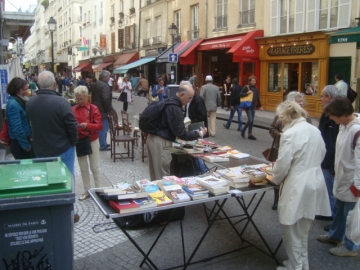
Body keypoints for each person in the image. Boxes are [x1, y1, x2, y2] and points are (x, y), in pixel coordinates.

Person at [272, 100, 330, 270]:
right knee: (303, 229)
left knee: (290, 228)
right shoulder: (314, 130)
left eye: (281, 119)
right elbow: (323, 152)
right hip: (315, 179)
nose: (281, 122)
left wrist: (275, 178)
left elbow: (283, 165)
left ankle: (295, 266)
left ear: (285, 117)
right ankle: (301, 264)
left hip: (297, 183)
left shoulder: (290, 134)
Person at [317, 96, 360, 257]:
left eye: (332, 115)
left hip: (352, 182)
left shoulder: (356, 130)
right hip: (343, 176)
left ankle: (350, 246)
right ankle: (335, 236)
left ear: (340, 114)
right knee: (340, 209)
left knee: (351, 216)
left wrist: (358, 186)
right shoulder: (344, 126)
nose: (330, 119)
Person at [147, 84, 207, 180]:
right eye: (189, 98)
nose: (190, 101)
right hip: (161, 142)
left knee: (155, 174)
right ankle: (162, 194)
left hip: (152, 139)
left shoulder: (169, 101)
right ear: (182, 95)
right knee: (163, 177)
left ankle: (156, 194)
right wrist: (199, 134)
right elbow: (181, 133)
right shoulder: (175, 108)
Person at [26, 71, 78, 177]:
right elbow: (72, 126)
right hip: (62, 148)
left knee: (43, 180)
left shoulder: (30, 103)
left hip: (40, 149)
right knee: (66, 180)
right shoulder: (62, 102)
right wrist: (72, 142)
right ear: (55, 84)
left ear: (38, 85)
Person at [269, 91, 313, 210]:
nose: (302, 103)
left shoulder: (305, 117)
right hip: (280, 147)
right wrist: (280, 134)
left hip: (297, 151)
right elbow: (272, 128)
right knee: (279, 172)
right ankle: (277, 200)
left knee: (292, 175)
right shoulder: (281, 114)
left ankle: (292, 200)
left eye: (302, 101)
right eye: (299, 102)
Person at [73, 86, 103, 200]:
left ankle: (98, 190)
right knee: (83, 167)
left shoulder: (93, 108)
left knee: (94, 167)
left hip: (91, 139)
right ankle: (87, 190)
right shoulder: (74, 109)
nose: (79, 101)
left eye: (81, 98)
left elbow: (99, 126)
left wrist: (88, 125)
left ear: (86, 97)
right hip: (79, 140)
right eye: (77, 98)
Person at [318, 86, 340, 230]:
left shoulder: (335, 117)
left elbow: (334, 144)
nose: (320, 99)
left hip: (329, 159)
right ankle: (327, 212)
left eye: (322, 96)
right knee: (326, 188)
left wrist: (332, 166)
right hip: (324, 157)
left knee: (331, 190)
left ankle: (332, 216)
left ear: (330, 97)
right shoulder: (327, 114)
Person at [182, 80, 208, 174]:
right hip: (189, 125)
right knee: (191, 150)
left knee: (196, 151)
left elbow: (203, 115)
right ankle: (197, 169)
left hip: (196, 127)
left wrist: (191, 121)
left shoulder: (198, 99)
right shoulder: (187, 99)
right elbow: (187, 112)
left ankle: (203, 170)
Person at [5, 77, 34, 159]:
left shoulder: (20, 100)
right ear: (17, 89)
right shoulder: (13, 104)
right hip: (19, 143)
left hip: (24, 139)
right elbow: (17, 127)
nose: (27, 91)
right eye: (24, 89)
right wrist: (25, 145)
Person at [91, 70, 112, 151]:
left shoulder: (96, 84)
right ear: (105, 77)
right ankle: (103, 144)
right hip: (102, 109)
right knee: (103, 127)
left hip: (95, 107)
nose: (109, 78)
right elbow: (106, 99)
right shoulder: (105, 86)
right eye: (109, 76)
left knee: (99, 127)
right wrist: (108, 110)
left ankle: (103, 142)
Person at [240, 76, 263, 140]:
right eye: (252, 81)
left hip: (253, 105)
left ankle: (250, 134)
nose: (253, 82)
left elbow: (258, 97)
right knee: (250, 120)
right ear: (250, 81)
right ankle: (243, 130)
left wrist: (260, 106)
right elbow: (240, 94)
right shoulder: (246, 87)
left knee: (252, 121)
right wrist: (247, 93)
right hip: (248, 105)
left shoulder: (256, 88)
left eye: (254, 81)